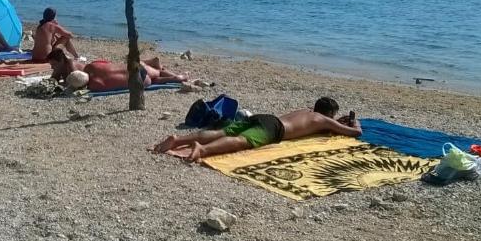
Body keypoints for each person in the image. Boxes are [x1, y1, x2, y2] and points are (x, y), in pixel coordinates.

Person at [153, 97, 362, 162]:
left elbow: (310, 123)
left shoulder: (306, 111)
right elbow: (355, 133)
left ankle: (178, 140)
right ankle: (203, 149)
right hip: (274, 128)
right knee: (243, 141)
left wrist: (336, 122)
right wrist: (355, 123)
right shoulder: (323, 120)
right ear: (329, 113)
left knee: (223, 132)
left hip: (265, 117)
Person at [51, 49, 187, 91]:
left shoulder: (94, 85)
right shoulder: (90, 67)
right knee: (156, 72)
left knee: (156, 78)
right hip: (136, 69)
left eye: (53, 65)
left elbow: (69, 82)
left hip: (141, 80)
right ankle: (174, 76)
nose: (52, 68)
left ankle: (178, 78)